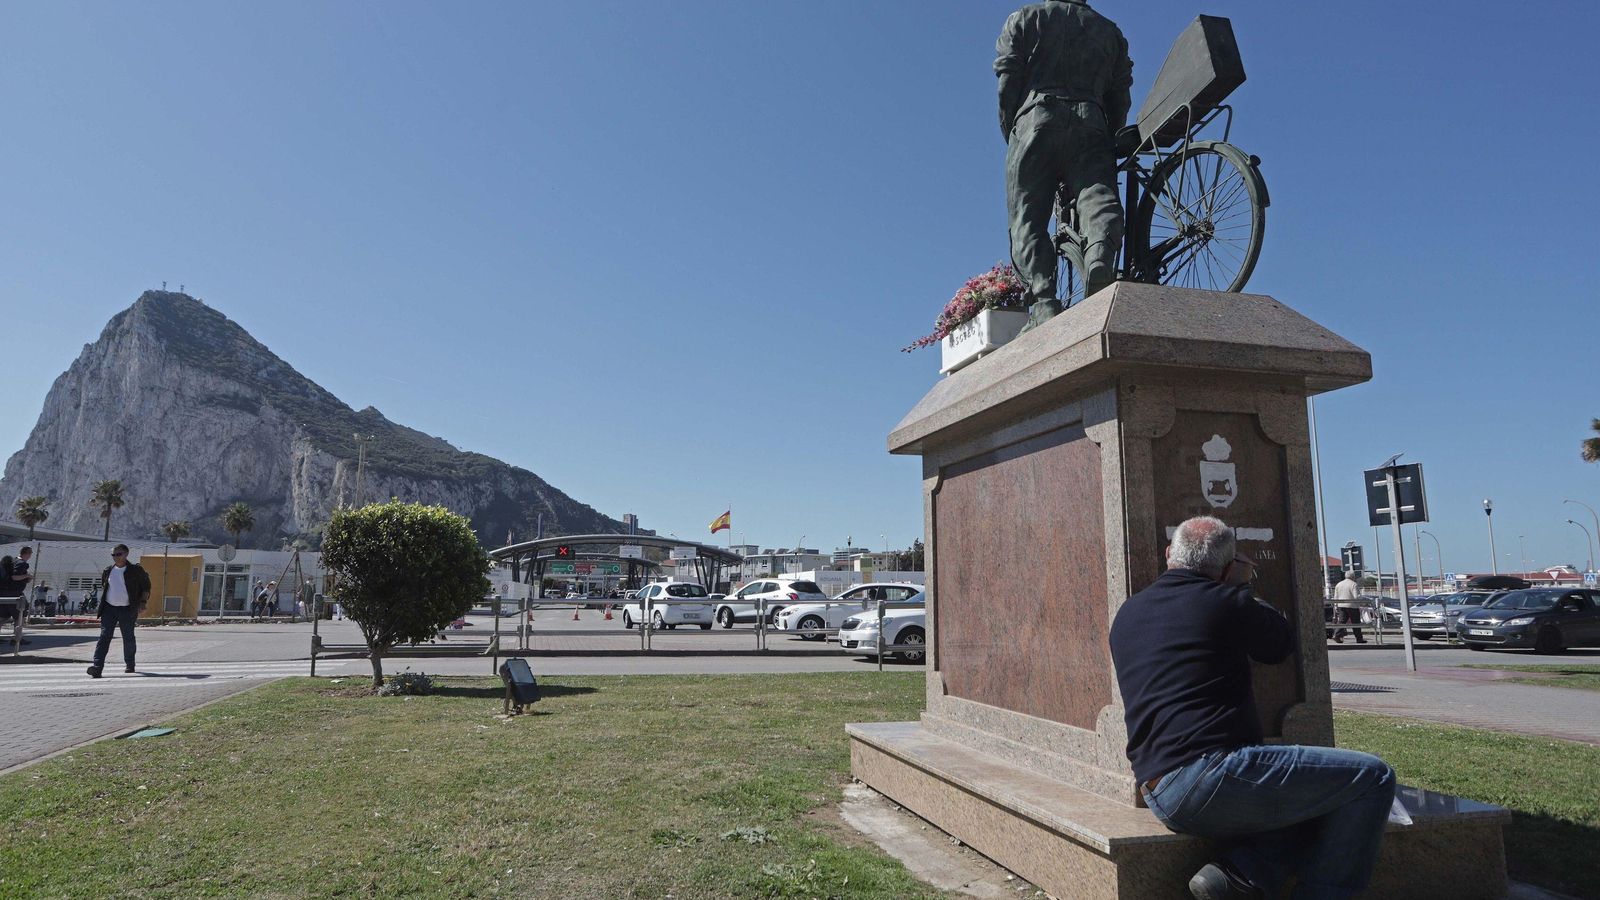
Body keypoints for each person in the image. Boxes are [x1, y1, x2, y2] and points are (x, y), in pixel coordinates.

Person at [1109, 517, 1396, 900]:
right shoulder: (1227, 601)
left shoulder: (1129, 613)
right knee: (1373, 777)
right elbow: (1278, 643)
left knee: (1319, 796)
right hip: (1211, 777)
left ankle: (1240, 874)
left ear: (1168, 554)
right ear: (1227, 568)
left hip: (1157, 789)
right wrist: (1244, 585)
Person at [995, 0, 1133, 329]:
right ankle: (1099, 253)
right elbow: (1120, 95)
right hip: (1092, 121)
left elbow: (1007, 82)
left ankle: (1043, 302)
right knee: (1097, 196)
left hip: (1035, 119)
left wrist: (1011, 129)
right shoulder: (1110, 32)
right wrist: (1109, 133)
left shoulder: (1024, 19)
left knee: (1026, 217)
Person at [88, 544, 150, 678]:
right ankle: (97, 667)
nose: (115, 557)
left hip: (128, 608)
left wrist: (143, 603)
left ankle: (130, 664)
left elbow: (146, 587)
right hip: (109, 609)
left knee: (128, 637)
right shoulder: (108, 570)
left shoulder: (135, 570)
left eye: (118, 554)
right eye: (113, 555)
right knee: (104, 637)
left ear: (126, 554)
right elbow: (106, 587)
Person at [1331, 569, 1367, 644]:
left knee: (1341, 621)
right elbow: (1356, 597)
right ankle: (1359, 639)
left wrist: (1335, 606)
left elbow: (1335, 597)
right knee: (1355, 623)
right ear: (1353, 576)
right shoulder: (1354, 584)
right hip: (1352, 606)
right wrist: (1363, 598)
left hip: (1341, 605)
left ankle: (1336, 635)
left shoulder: (1339, 584)